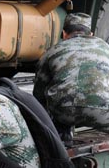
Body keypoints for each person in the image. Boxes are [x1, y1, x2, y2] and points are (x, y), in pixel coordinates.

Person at [33, 12, 109, 142]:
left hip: (63, 113)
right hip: (102, 114)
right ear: (91, 34)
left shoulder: (52, 51)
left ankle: (64, 136)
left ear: (64, 33)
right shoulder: (106, 49)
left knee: (57, 100)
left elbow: (39, 93)